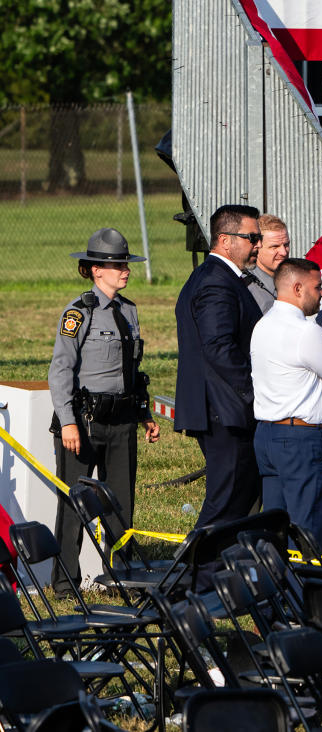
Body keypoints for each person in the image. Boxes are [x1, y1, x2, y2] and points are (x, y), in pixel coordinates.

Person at [48, 228, 159, 596]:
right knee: (75, 505)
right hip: (84, 421)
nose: (124, 270)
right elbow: (61, 370)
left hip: (122, 420)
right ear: (96, 270)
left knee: (121, 504)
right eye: (116, 265)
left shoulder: (128, 311)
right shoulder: (77, 313)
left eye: (125, 263)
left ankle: (120, 576)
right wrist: (67, 421)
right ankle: (65, 583)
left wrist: (143, 413)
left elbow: (132, 371)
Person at [251, 258, 322, 553]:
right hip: (302, 440)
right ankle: (304, 594)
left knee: (274, 529)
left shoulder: (262, 325)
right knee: (306, 531)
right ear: (298, 288)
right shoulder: (306, 332)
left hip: (267, 436)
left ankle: (276, 592)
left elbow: (313, 370)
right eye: (318, 287)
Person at [174, 204, 264, 532]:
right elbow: (219, 348)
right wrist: (255, 393)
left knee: (237, 502)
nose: (257, 244)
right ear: (225, 240)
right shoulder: (216, 281)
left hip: (223, 407)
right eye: (251, 237)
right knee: (223, 505)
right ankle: (186, 576)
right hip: (224, 410)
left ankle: (219, 574)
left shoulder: (220, 277)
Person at [244, 214, 290, 313]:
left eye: (286, 245)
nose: (284, 252)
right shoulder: (245, 288)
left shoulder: (295, 279)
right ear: (257, 247)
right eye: (275, 246)